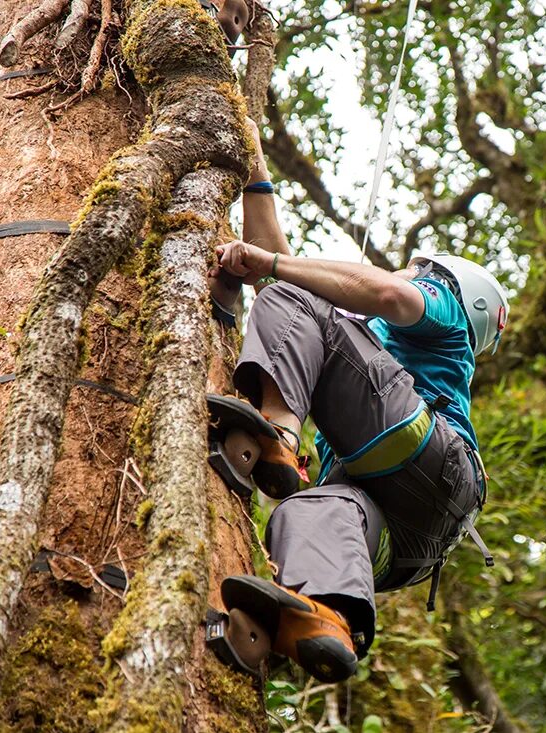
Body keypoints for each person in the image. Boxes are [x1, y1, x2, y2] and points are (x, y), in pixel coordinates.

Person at [206, 119, 509, 683]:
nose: (406, 274)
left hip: (429, 456)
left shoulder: (441, 312)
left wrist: (273, 266)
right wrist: (256, 174)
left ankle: (278, 438)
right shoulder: (365, 350)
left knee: (292, 292)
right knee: (311, 507)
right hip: (406, 540)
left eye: (417, 270)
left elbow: (381, 291)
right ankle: (316, 621)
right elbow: (283, 297)